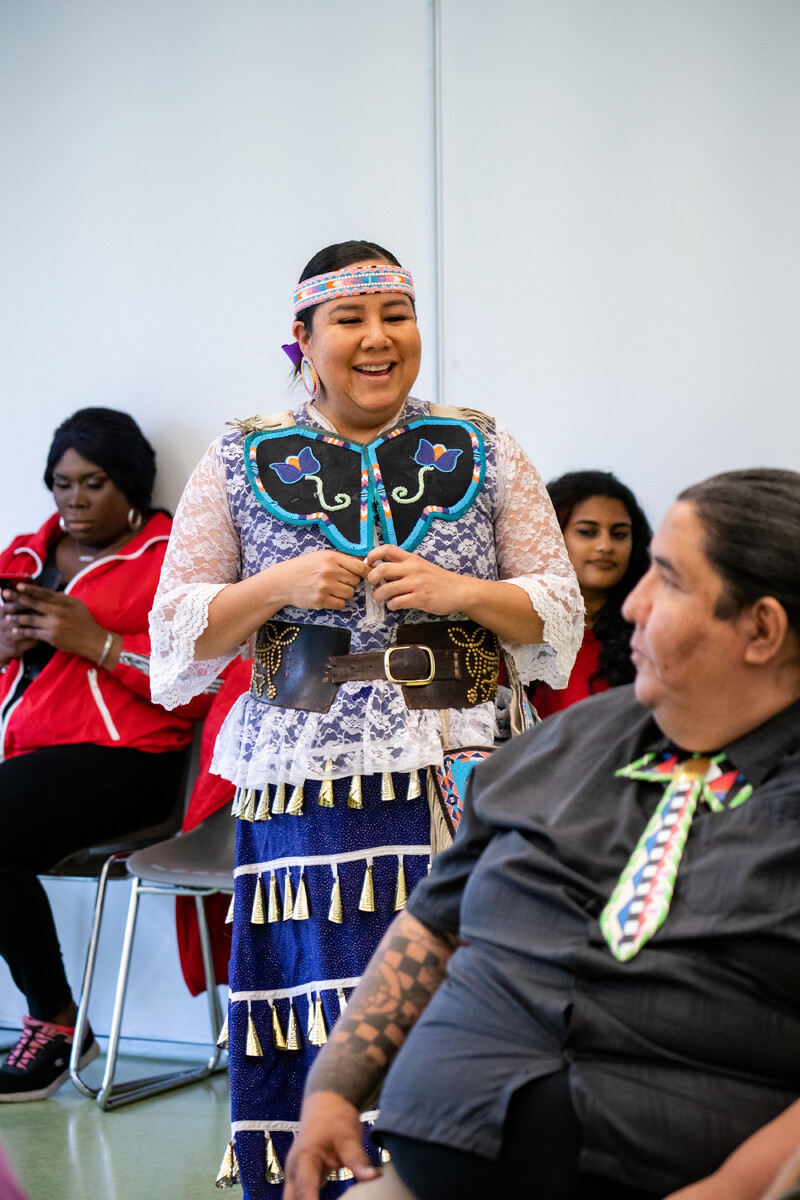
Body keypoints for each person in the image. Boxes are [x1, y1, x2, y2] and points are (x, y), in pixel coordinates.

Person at [149, 240, 584, 1197]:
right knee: (327, 999)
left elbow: (557, 607)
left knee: (466, 996)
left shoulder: (483, 446)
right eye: (350, 319)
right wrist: (277, 585)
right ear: (302, 340)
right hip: (310, 778)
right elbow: (180, 631)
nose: (379, 338)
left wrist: (462, 592)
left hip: (466, 763)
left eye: (397, 315)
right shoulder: (237, 458)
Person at [285, 467, 800, 1200]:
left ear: (762, 629)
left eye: (668, 581)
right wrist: (334, 1090)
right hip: (429, 1171)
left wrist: (735, 1191)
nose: (634, 605)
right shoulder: (567, 743)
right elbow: (433, 922)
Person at [0, 407, 209, 1103]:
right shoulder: (23, 557)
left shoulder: (171, 561)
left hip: (132, 762)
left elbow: (200, 689)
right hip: (26, 760)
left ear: (130, 485)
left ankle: (56, 1023)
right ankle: (55, 1022)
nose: (75, 500)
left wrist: (97, 642)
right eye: (62, 484)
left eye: (94, 483)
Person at [529, 470, 651, 718]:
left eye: (619, 534)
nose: (605, 546)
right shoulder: (511, 632)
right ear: (551, 536)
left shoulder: (650, 635)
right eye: (587, 532)